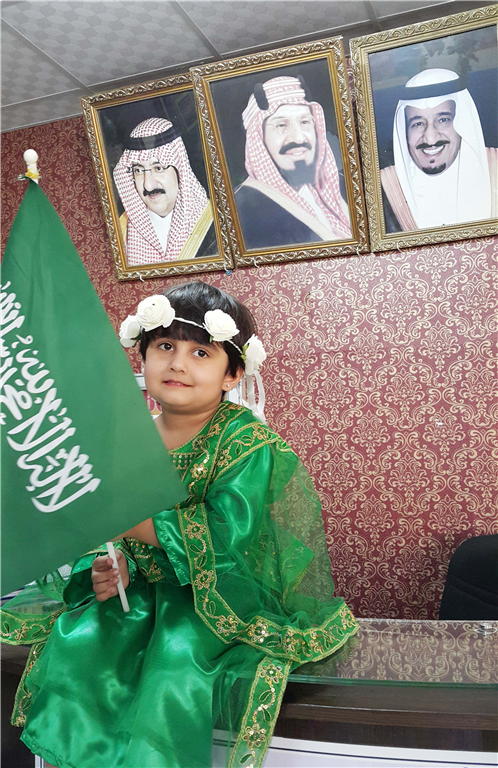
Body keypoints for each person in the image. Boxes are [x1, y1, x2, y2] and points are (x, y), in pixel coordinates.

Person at [1, 281, 357, 768]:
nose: (177, 364)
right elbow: (108, 537)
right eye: (165, 346)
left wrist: (127, 519)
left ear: (232, 374)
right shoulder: (127, 440)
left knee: (175, 663)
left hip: (218, 600)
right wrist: (108, 567)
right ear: (143, 355)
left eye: (200, 353)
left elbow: (226, 538)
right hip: (143, 593)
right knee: (80, 640)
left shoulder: (247, 443)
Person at [235, 75, 352, 248]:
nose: (298, 138)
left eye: (305, 122)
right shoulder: (243, 209)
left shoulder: (344, 186)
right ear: (259, 138)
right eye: (281, 125)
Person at [381, 68, 498, 233]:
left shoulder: (495, 170)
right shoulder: (383, 189)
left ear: (462, 123)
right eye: (418, 123)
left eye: (443, 120)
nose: (430, 139)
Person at [113, 118, 218, 265]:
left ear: (180, 169)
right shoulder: (121, 231)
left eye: (158, 168)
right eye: (138, 171)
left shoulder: (215, 222)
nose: (148, 185)